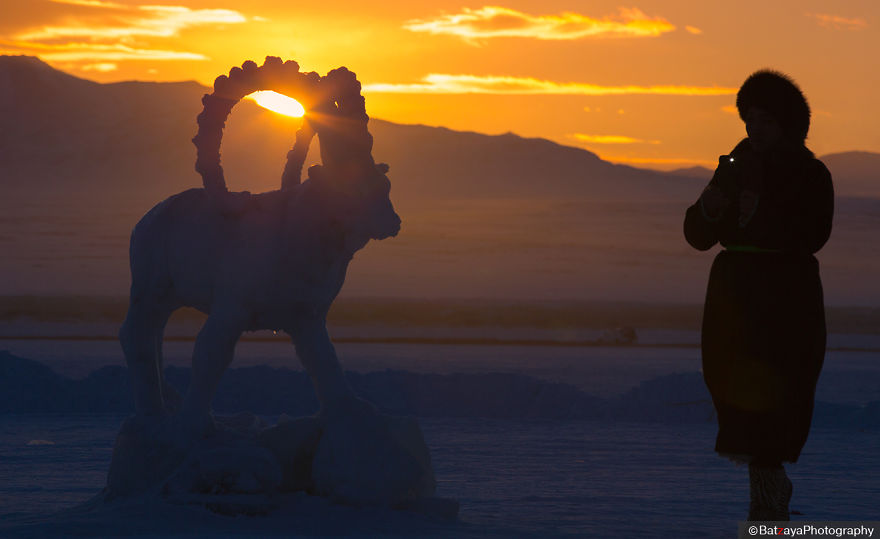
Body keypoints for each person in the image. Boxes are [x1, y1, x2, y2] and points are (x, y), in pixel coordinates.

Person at [683, 70, 834, 521]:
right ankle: (767, 501)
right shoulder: (730, 167)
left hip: (786, 295)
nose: (754, 129)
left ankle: (767, 508)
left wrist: (762, 208)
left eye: (764, 120)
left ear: (787, 123)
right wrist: (710, 208)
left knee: (780, 394)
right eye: (749, 119)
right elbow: (697, 234)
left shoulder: (810, 174)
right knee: (735, 393)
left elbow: (814, 233)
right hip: (734, 295)